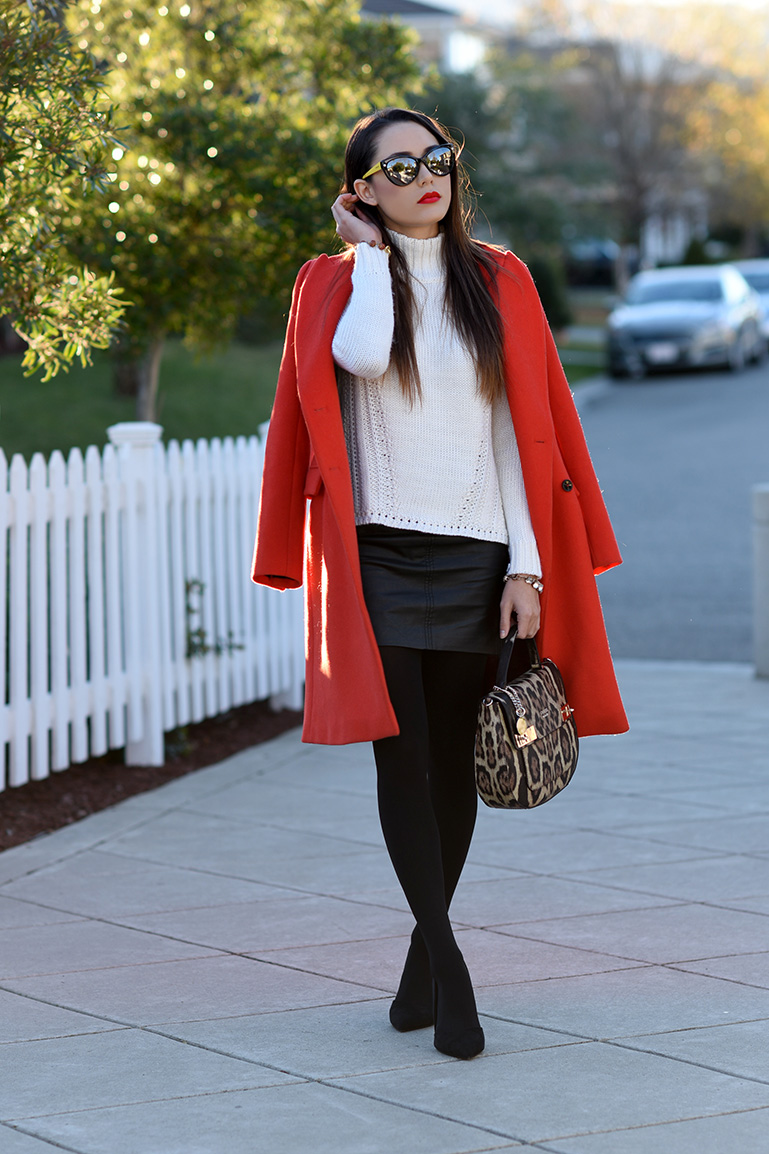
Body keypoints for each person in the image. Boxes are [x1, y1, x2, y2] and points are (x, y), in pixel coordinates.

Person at [252, 107, 628, 1061]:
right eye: (399, 168)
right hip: (378, 556)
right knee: (402, 761)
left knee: (457, 764)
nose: (427, 177)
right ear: (361, 192)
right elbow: (364, 356)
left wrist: (526, 565)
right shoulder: (336, 282)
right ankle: (451, 967)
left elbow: (517, 432)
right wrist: (370, 256)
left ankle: (423, 960)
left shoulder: (498, 278)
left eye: (437, 158)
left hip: (475, 557)